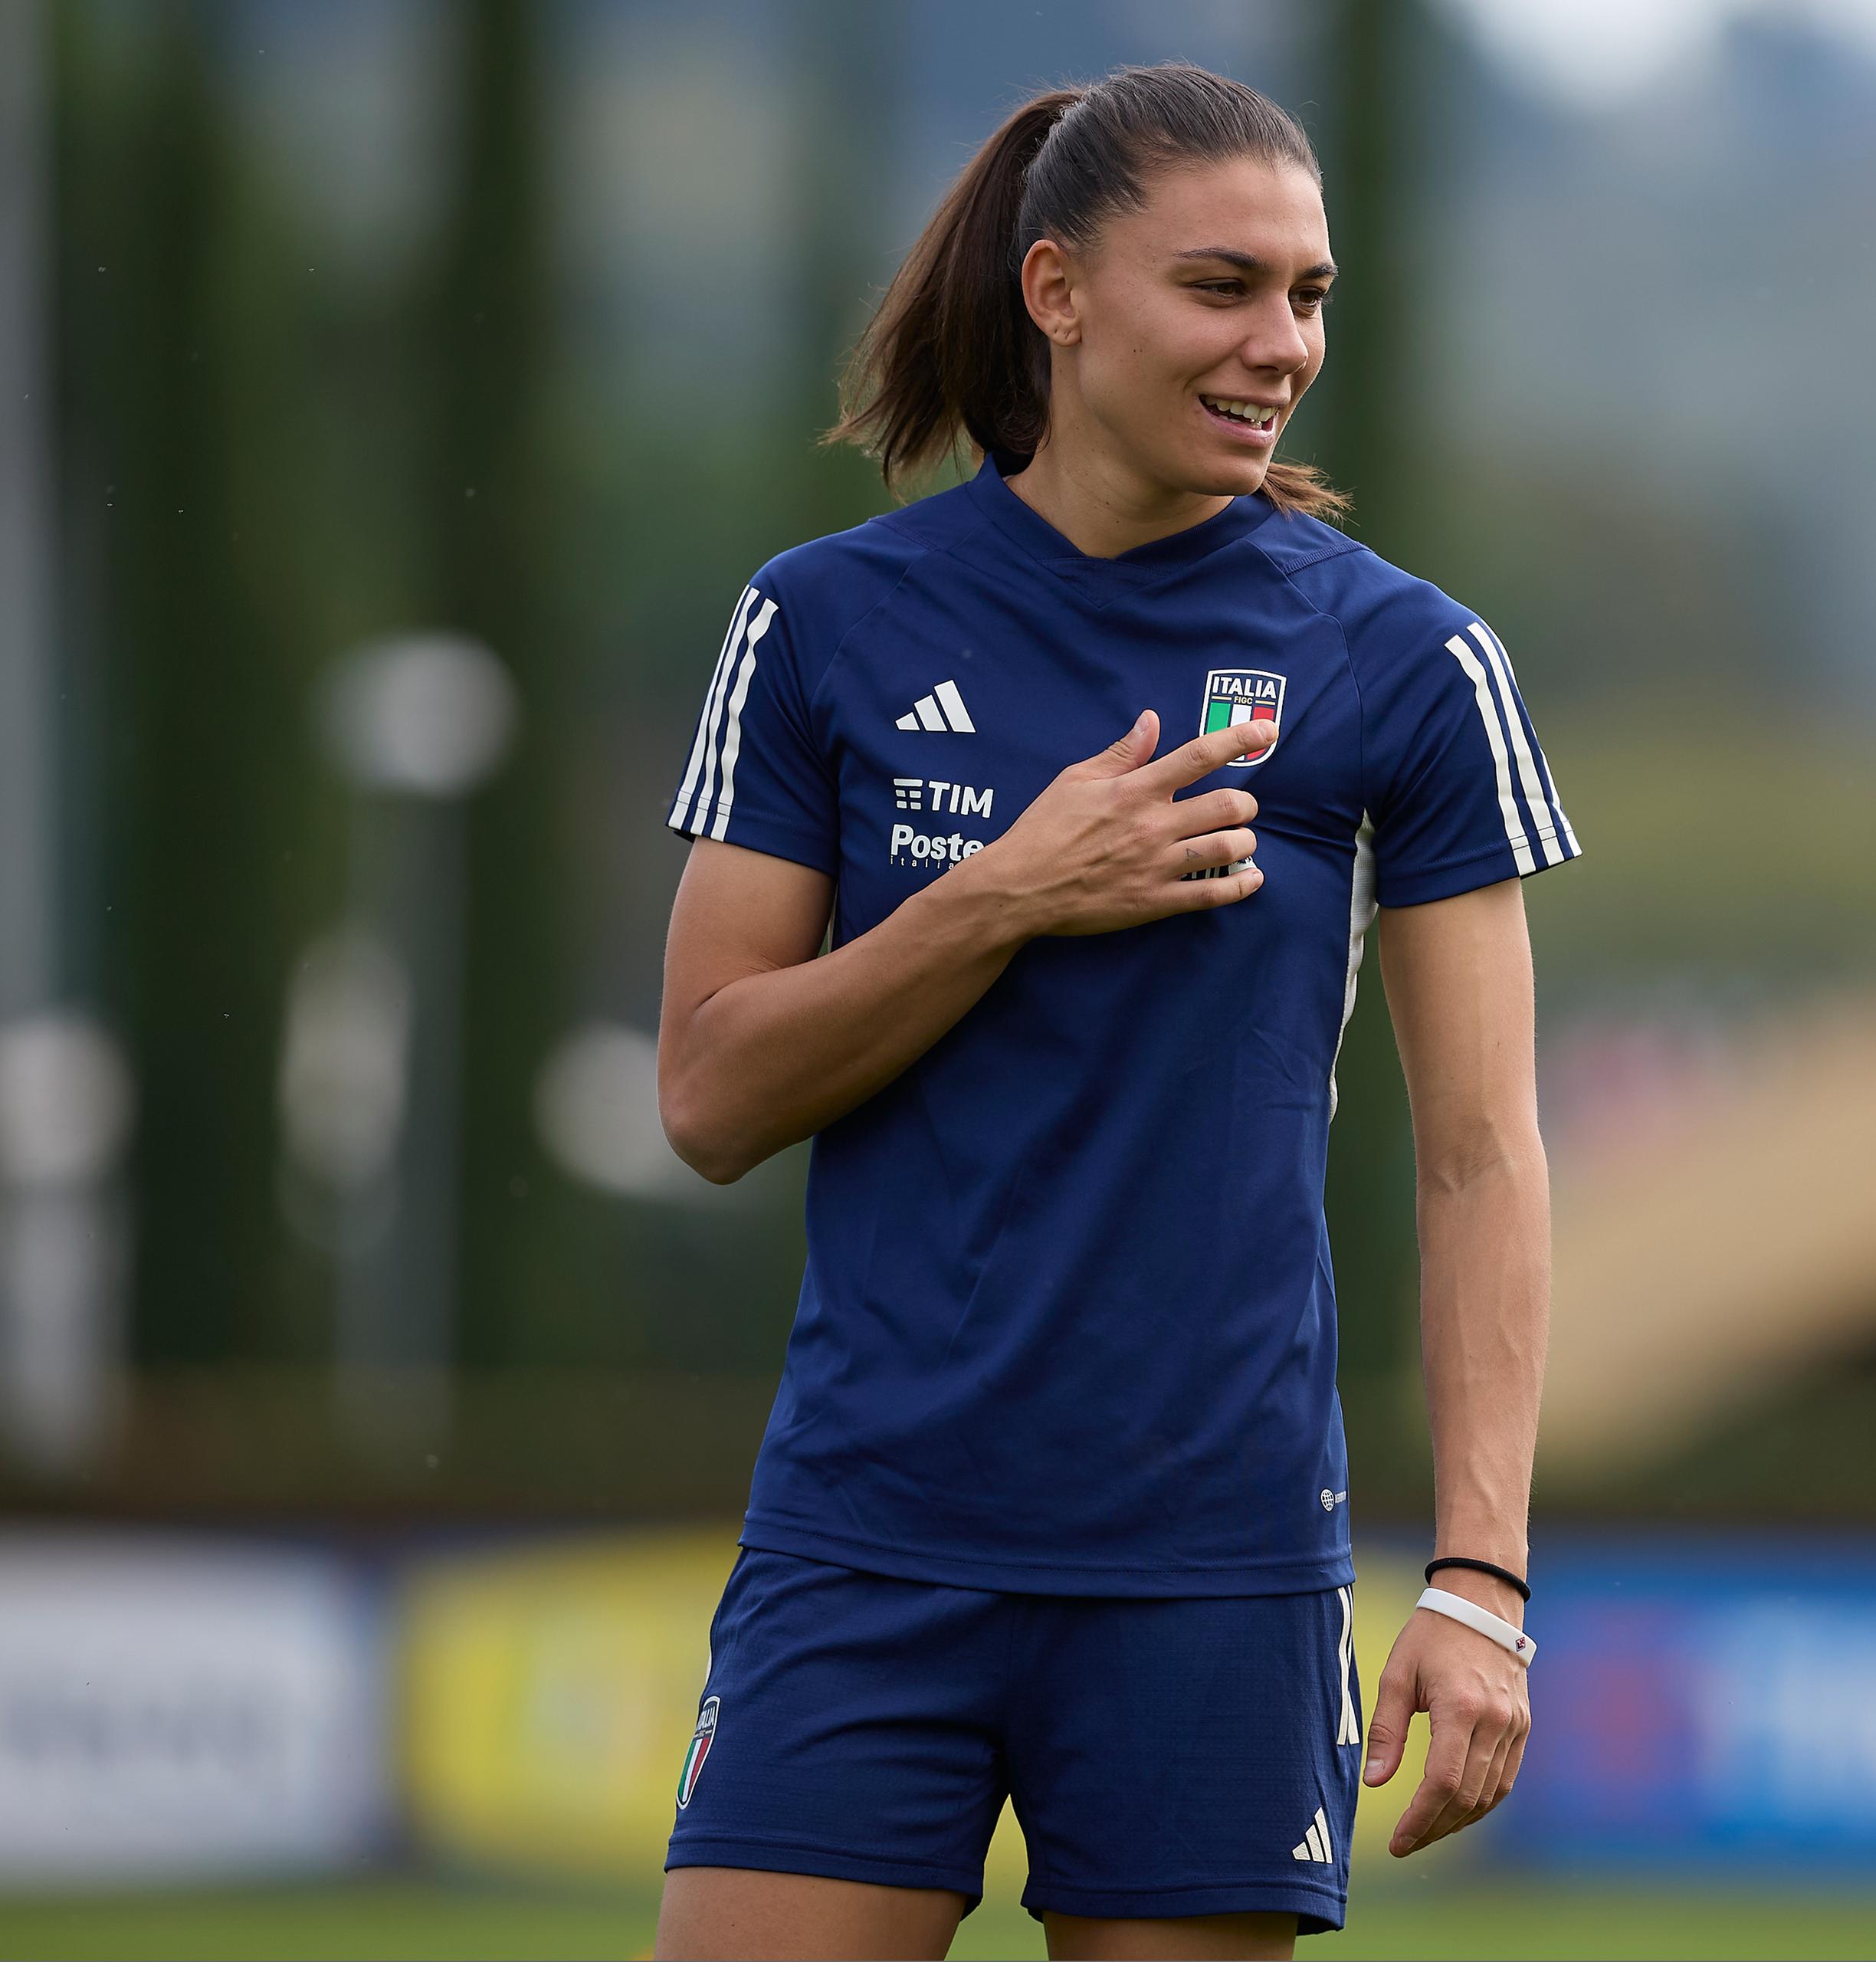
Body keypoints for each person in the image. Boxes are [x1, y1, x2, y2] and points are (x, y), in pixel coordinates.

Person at [647, 63, 1579, 1962]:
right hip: (865, 1538)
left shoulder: (1406, 658)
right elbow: (708, 1095)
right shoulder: (826, 622)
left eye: (1310, 296)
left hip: (1211, 1571)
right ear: (1059, 294)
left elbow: (1485, 1155)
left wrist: (1481, 1575)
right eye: (1224, 288)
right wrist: (1001, 897)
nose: (1281, 345)